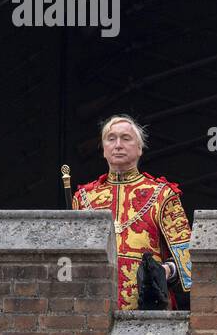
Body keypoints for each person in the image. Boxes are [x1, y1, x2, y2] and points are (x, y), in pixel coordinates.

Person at [71, 114, 192, 310]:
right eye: (111, 139)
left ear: (139, 148)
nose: (118, 144)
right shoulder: (83, 198)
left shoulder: (162, 194)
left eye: (126, 138)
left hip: (150, 311)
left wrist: (165, 271)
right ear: (104, 149)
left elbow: (189, 259)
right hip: (94, 310)